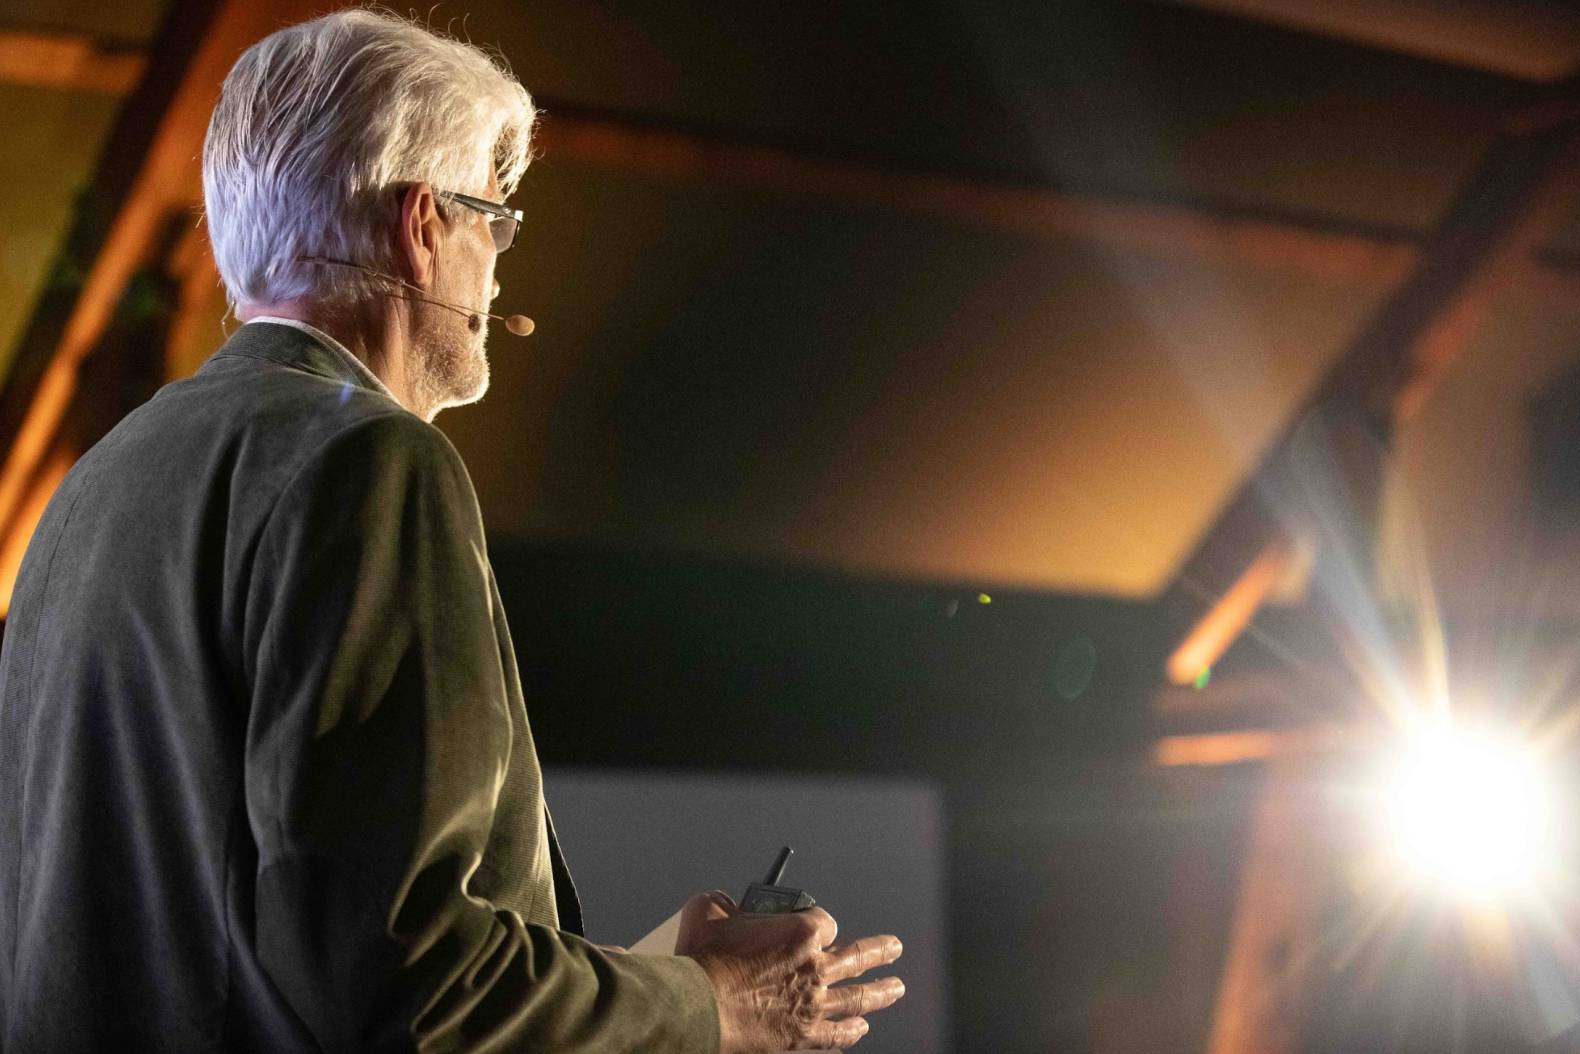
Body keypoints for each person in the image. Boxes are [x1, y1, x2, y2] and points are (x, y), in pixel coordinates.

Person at [0, 9, 904, 1051]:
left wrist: (654, 980)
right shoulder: (370, 461)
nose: (500, 264)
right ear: (423, 225)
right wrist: (715, 1002)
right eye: (495, 218)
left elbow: (245, 937)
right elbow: (411, 986)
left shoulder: (93, 486)